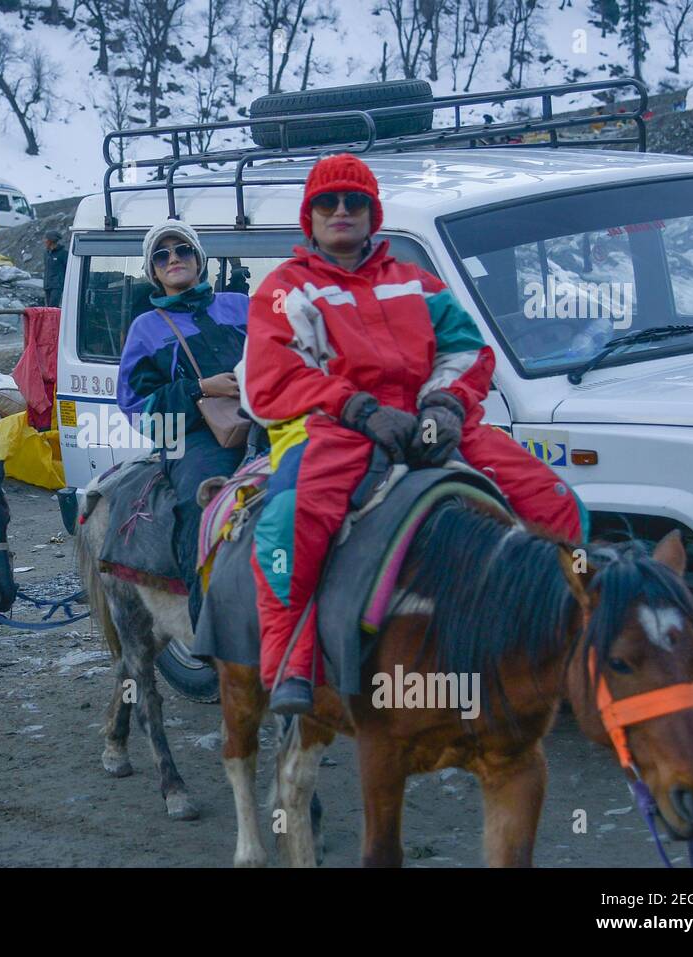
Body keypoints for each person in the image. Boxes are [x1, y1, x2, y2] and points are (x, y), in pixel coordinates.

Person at [243, 153, 586, 715]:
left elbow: (466, 348)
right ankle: (289, 659)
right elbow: (271, 377)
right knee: (289, 519)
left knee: (554, 501)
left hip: (433, 421)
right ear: (310, 216)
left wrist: (446, 405)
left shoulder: (417, 282)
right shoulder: (286, 289)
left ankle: (569, 633)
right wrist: (357, 408)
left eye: (355, 202)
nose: (342, 212)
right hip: (340, 428)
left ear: (372, 213)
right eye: (328, 203)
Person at [116, 220, 248, 628]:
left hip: (269, 418)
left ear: (198, 259)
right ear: (153, 271)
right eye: (162, 255)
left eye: (183, 250)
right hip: (191, 438)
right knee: (201, 501)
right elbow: (136, 404)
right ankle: (210, 624)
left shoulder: (241, 305)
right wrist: (198, 389)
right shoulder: (145, 328)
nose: (174, 258)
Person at [42, 229, 67, 308]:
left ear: (51, 240)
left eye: (46, 239)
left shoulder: (63, 253)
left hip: (57, 286)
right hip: (47, 285)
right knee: (48, 307)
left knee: (53, 307)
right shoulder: (46, 253)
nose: (44, 241)